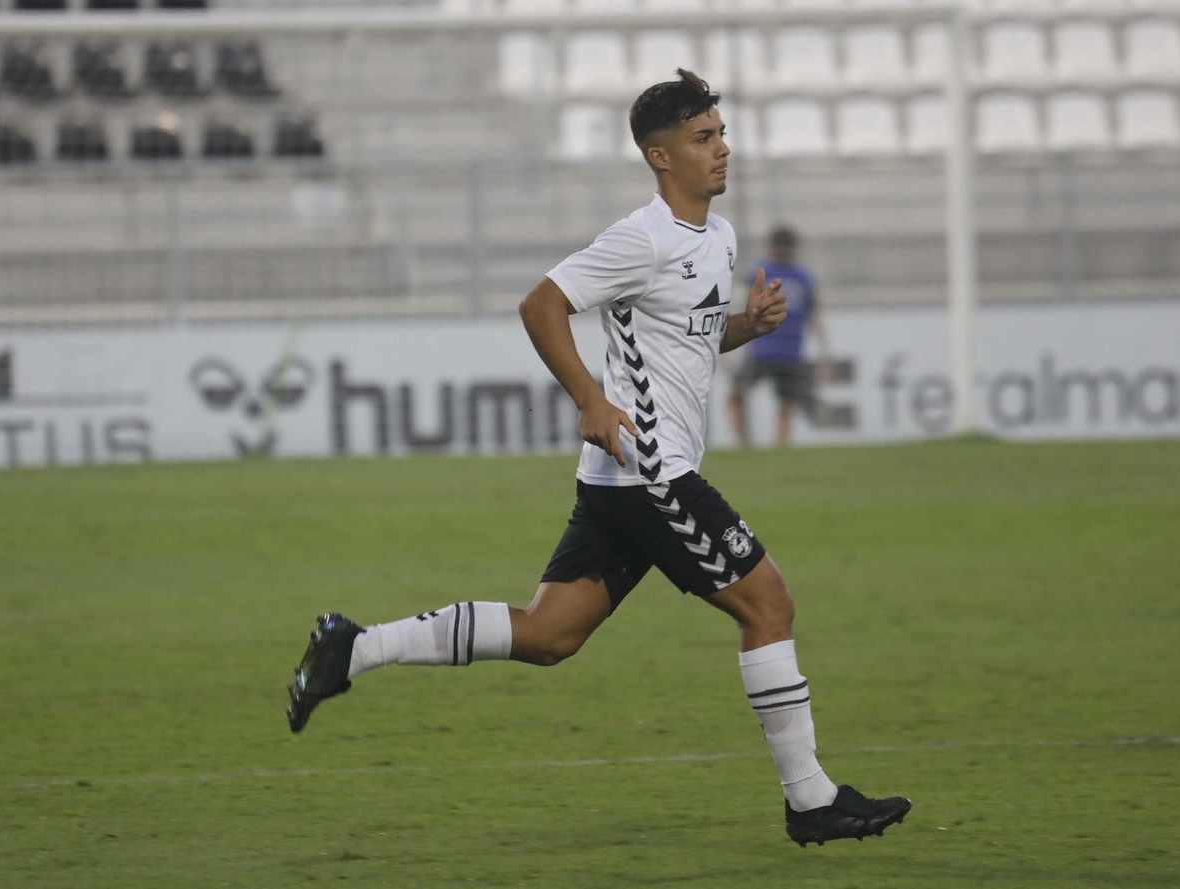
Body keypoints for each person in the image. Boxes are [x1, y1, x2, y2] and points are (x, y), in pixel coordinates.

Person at [286, 70, 910, 847]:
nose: (722, 150)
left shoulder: (716, 238)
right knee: (769, 604)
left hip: (623, 480)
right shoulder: (640, 237)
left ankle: (355, 646)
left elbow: (688, 343)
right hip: (652, 472)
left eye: (721, 133)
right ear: (660, 156)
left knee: (550, 635)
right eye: (703, 138)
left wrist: (748, 324)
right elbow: (540, 304)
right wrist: (589, 397)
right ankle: (810, 797)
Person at [727, 226, 831, 448]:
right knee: (785, 403)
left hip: (767, 348)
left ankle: (746, 445)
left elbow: (740, 305)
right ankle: (772, 447)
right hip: (781, 350)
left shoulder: (761, 272)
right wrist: (825, 352)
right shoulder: (802, 276)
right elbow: (814, 317)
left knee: (742, 396)